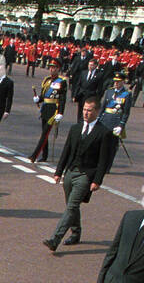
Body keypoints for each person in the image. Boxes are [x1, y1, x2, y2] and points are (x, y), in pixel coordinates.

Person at [42, 98, 117, 250]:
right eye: (84, 109)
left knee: (72, 206)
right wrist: (58, 172)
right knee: (71, 206)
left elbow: (104, 160)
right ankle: (76, 233)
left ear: (97, 112)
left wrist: (97, 180)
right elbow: (67, 151)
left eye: (89, 110)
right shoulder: (75, 128)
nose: (86, 113)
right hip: (70, 171)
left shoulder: (103, 133)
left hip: (86, 175)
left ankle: (55, 239)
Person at [30, 59, 67, 163]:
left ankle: (34, 155)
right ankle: (44, 155)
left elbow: (62, 98)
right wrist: (39, 99)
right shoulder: (47, 80)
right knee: (44, 133)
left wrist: (60, 112)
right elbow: (44, 95)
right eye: (50, 67)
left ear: (58, 69)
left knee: (45, 133)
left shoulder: (62, 81)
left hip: (53, 110)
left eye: (54, 67)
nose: (51, 69)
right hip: (45, 108)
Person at [72, 58, 105, 124]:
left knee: (89, 112)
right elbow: (78, 84)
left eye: (92, 65)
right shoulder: (83, 72)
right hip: (82, 95)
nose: (90, 66)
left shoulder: (99, 75)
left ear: (96, 66)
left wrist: (97, 98)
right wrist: (75, 95)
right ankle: (79, 124)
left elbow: (100, 88)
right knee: (80, 112)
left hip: (91, 96)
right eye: (89, 65)